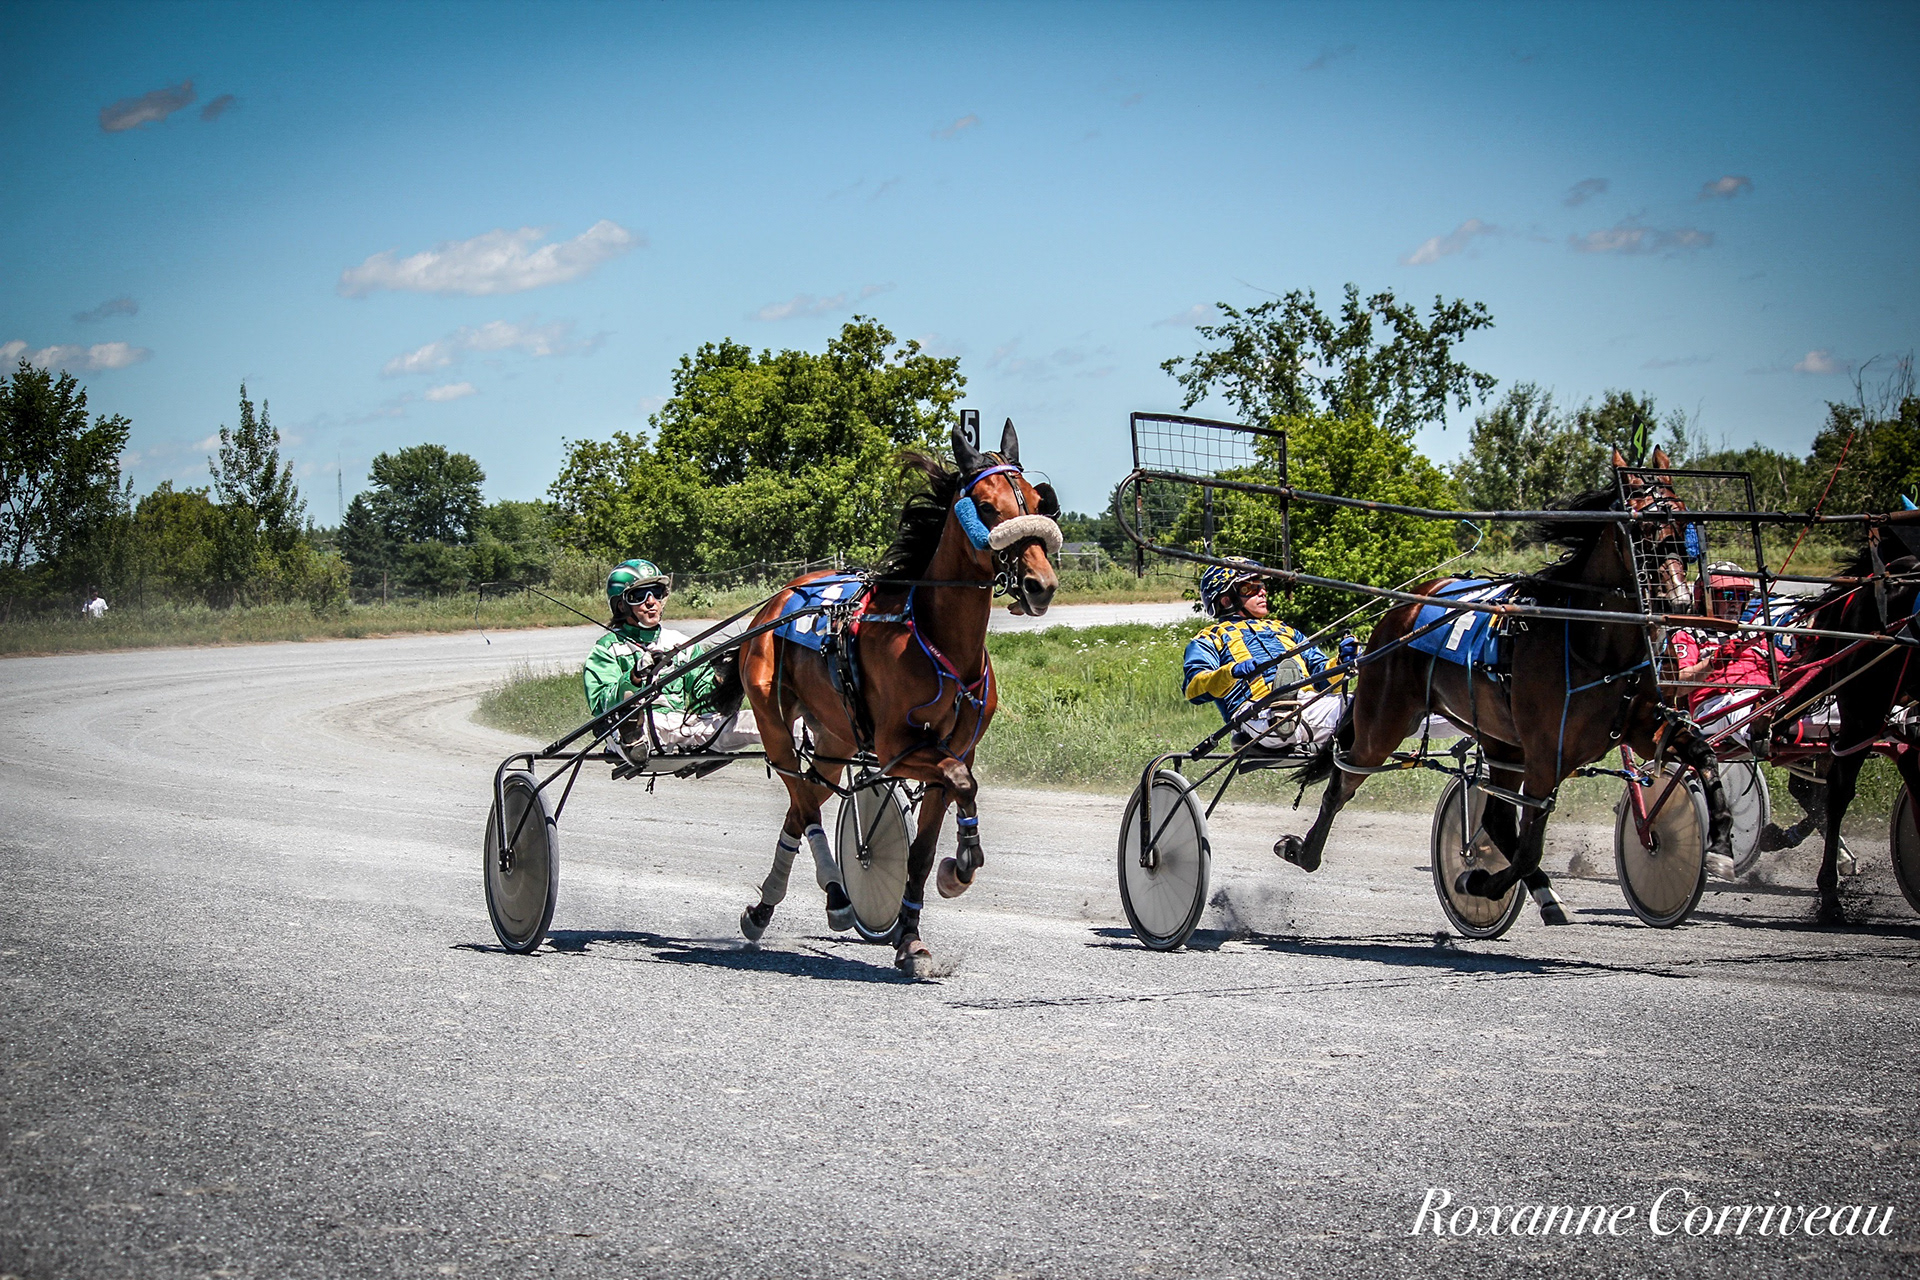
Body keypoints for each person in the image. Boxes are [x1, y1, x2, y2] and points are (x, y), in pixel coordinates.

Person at [583, 559, 758, 769]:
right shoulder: (607, 648)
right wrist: (634, 677)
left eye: (656, 592)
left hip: (682, 727)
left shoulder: (682, 644)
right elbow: (601, 703)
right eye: (639, 596)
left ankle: (804, 736)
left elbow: (704, 698)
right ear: (621, 605)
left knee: (759, 722)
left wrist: (725, 680)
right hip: (635, 730)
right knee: (627, 713)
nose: (651, 602)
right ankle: (633, 736)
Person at [1182, 557, 1345, 749]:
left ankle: (1287, 710)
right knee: (1366, 713)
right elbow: (1193, 689)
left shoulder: (1286, 630)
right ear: (1226, 600)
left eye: (1261, 586)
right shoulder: (1210, 637)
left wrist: (1342, 661)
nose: (1262, 591)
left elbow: (1323, 676)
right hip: (1255, 710)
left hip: (1312, 703)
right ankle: (1281, 712)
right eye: (1249, 588)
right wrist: (1231, 672)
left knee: (1369, 705)